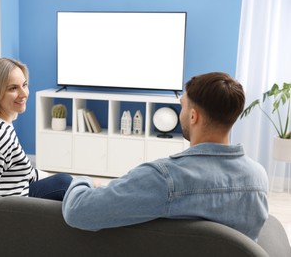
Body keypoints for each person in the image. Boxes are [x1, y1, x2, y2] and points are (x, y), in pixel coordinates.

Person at [62, 72, 268, 241]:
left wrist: (84, 179)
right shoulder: (258, 177)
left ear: (194, 116)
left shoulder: (165, 178)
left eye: (183, 106)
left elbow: (77, 211)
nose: (181, 113)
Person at [0, 57, 72, 200]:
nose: (24, 93)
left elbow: (25, 172)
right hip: (13, 208)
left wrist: (78, 182)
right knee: (65, 184)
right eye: (13, 88)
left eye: (24, 85)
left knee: (67, 182)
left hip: (18, 193)